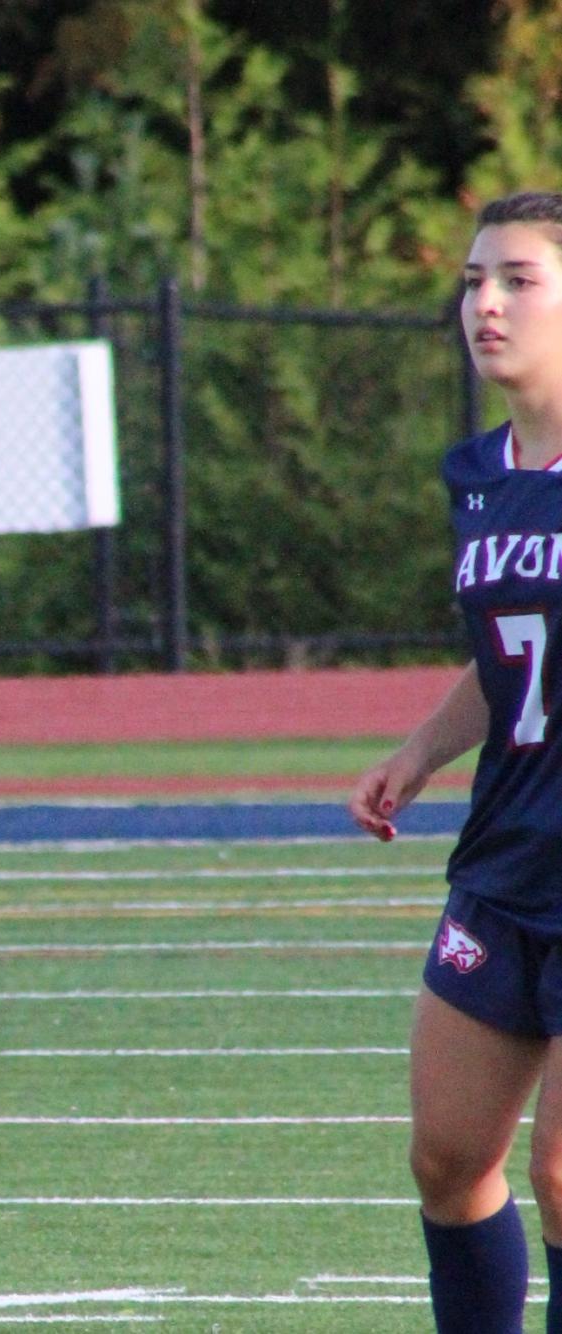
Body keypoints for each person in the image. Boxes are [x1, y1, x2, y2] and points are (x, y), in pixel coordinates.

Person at [350, 190, 562, 1333]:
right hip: (506, 853)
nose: (484, 302)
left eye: (517, 278)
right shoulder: (478, 473)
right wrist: (421, 749)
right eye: (475, 280)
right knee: (448, 1159)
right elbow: (507, 652)